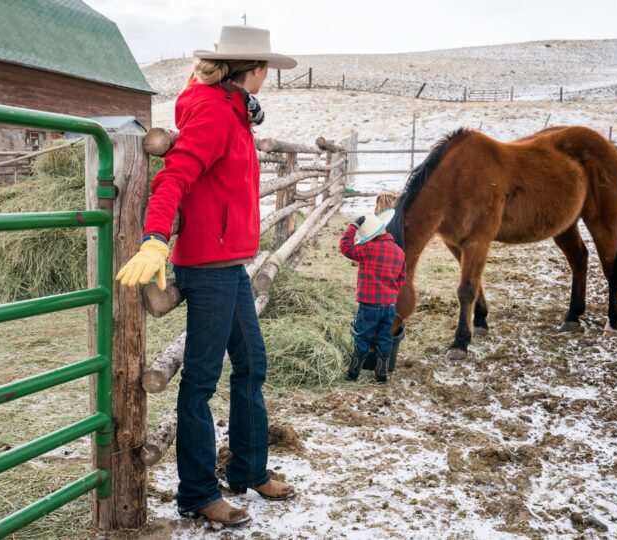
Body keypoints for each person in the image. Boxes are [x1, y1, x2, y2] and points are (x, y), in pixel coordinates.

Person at [115, 25, 297, 526]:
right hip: (208, 267)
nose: (269, 79)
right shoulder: (216, 113)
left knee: (252, 365)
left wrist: (247, 112)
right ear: (253, 70)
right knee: (199, 381)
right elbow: (175, 175)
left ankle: (248, 468)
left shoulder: (231, 110)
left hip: (230, 263)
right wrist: (155, 238)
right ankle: (197, 492)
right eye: (267, 71)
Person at [339, 210, 406, 383]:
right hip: (389, 305)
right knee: (384, 336)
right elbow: (401, 278)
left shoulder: (367, 249)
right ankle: (382, 371)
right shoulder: (399, 252)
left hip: (369, 304)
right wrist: (391, 294)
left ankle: (354, 370)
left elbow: (346, 247)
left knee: (363, 335)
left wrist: (353, 226)